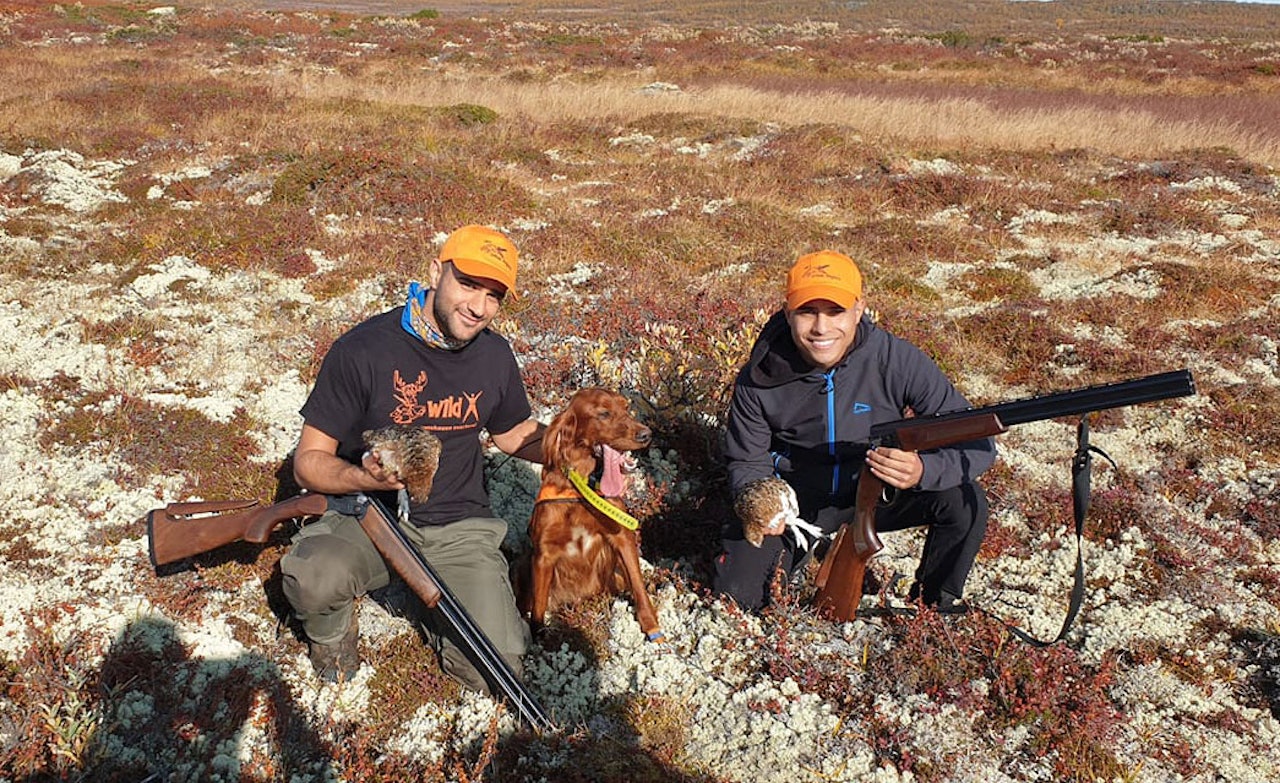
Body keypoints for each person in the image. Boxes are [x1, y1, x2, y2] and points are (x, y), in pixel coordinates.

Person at [279, 224, 544, 691]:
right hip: (366, 519)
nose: (479, 307)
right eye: (467, 284)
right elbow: (309, 462)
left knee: (496, 672)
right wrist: (365, 478)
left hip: (457, 525)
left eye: (494, 295)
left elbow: (513, 435)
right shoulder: (362, 350)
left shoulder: (495, 356)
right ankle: (331, 633)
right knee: (313, 578)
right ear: (435, 272)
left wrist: (581, 445)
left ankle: (442, 606)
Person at [714, 250, 996, 614]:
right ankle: (811, 549)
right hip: (799, 507)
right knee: (740, 597)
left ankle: (932, 610)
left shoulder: (897, 360)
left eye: (835, 312)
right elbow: (746, 462)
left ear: (859, 309)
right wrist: (765, 508)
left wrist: (923, 471)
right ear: (787, 312)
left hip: (877, 495)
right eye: (806, 311)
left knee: (965, 501)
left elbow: (975, 441)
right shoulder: (760, 377)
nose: (821, 328)